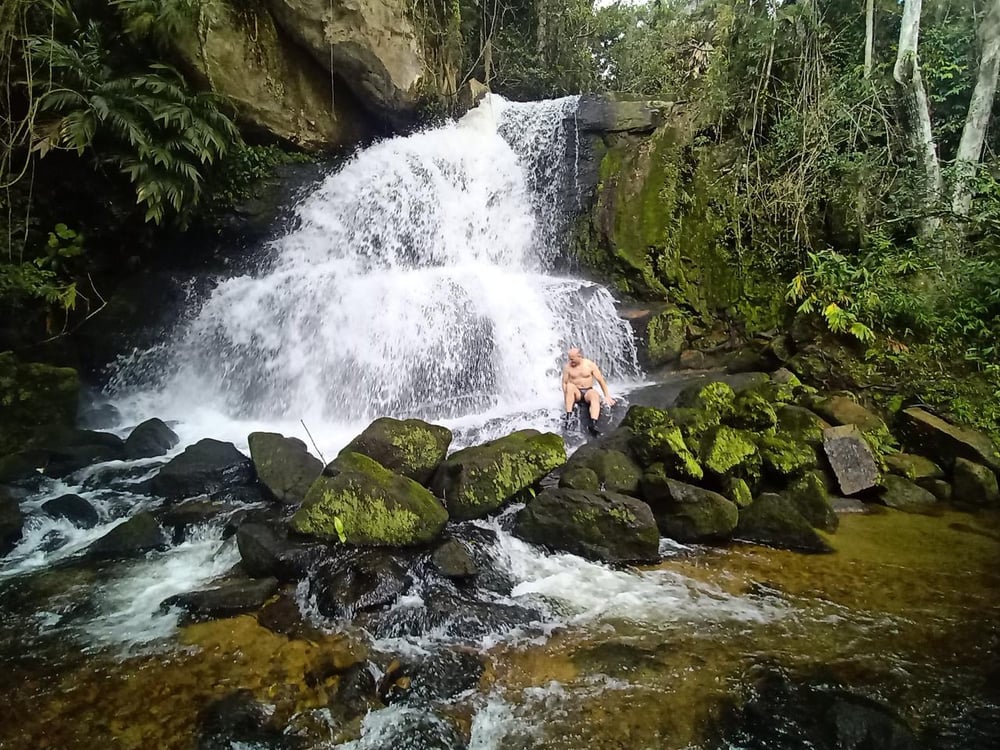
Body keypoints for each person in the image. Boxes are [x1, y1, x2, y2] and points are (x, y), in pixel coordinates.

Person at [561, 347, 616, 435]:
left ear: (579, 356)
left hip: (588, 391)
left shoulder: (589, 365)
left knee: (594, 395)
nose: (571, 361)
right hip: (576, 392)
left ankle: (593, 424)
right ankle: (568, 417)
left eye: (572, 359)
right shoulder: (568, 367)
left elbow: (600, 380)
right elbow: (564, 382)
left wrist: (607, 396)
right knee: (569, 386)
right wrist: (566, 395)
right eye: (569, 359)